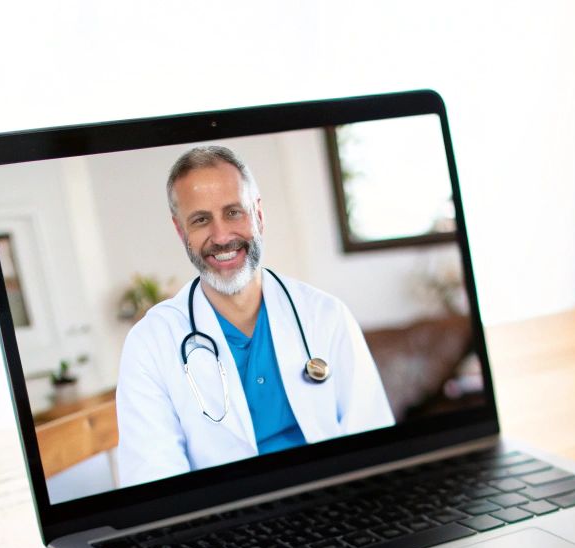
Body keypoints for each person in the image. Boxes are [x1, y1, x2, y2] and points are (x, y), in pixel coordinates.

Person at [113, 145, 393, 487]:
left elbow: (374, 446)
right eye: (201, 220)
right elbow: (153, 484)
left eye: (233, 212)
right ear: (181, 231)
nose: (221, 236)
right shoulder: (150, 344)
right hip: (222, 524)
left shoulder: (326, 315)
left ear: (258, 214)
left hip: (336, 506)